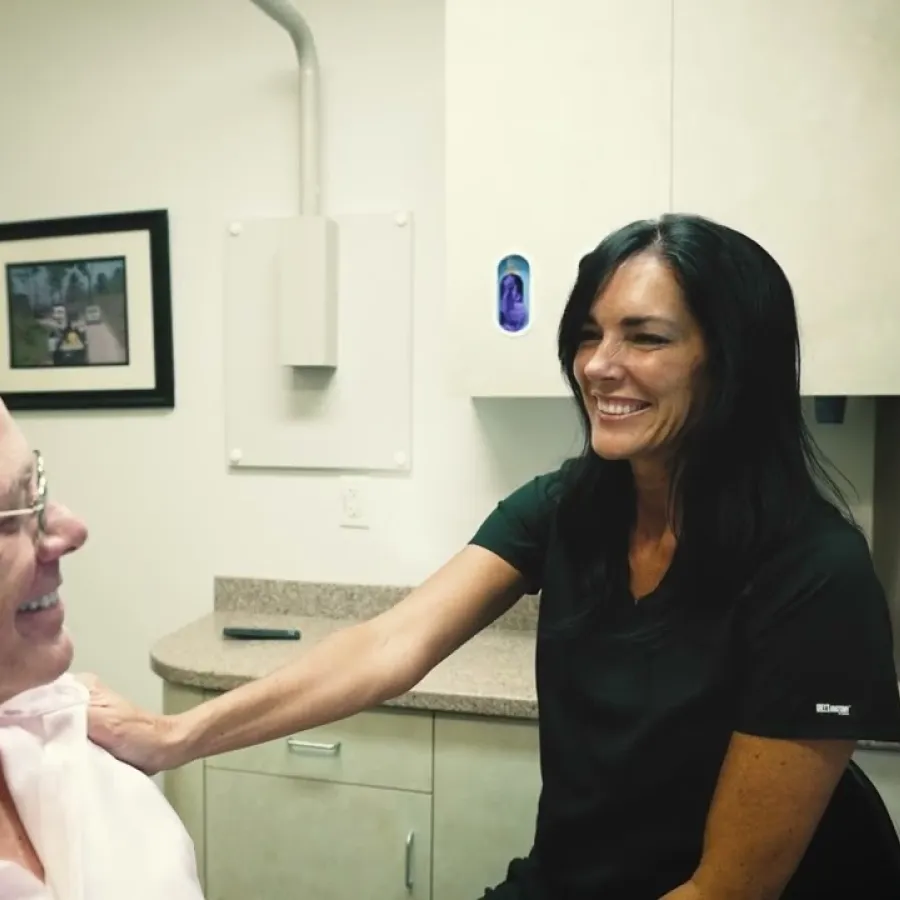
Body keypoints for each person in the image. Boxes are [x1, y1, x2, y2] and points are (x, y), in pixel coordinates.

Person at [82, 214, 900, 899]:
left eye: (645, 338)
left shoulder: (815, 574)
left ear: (732, 364)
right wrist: (173, 735)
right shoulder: (569, 507)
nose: (599, 365)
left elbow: (727, 891)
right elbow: (387, 645)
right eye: (589, 334)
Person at [0, 401, 205, 899]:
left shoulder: (69, 736)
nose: (71, 529)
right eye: (10, 513)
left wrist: (174, 733)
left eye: (37, 484)